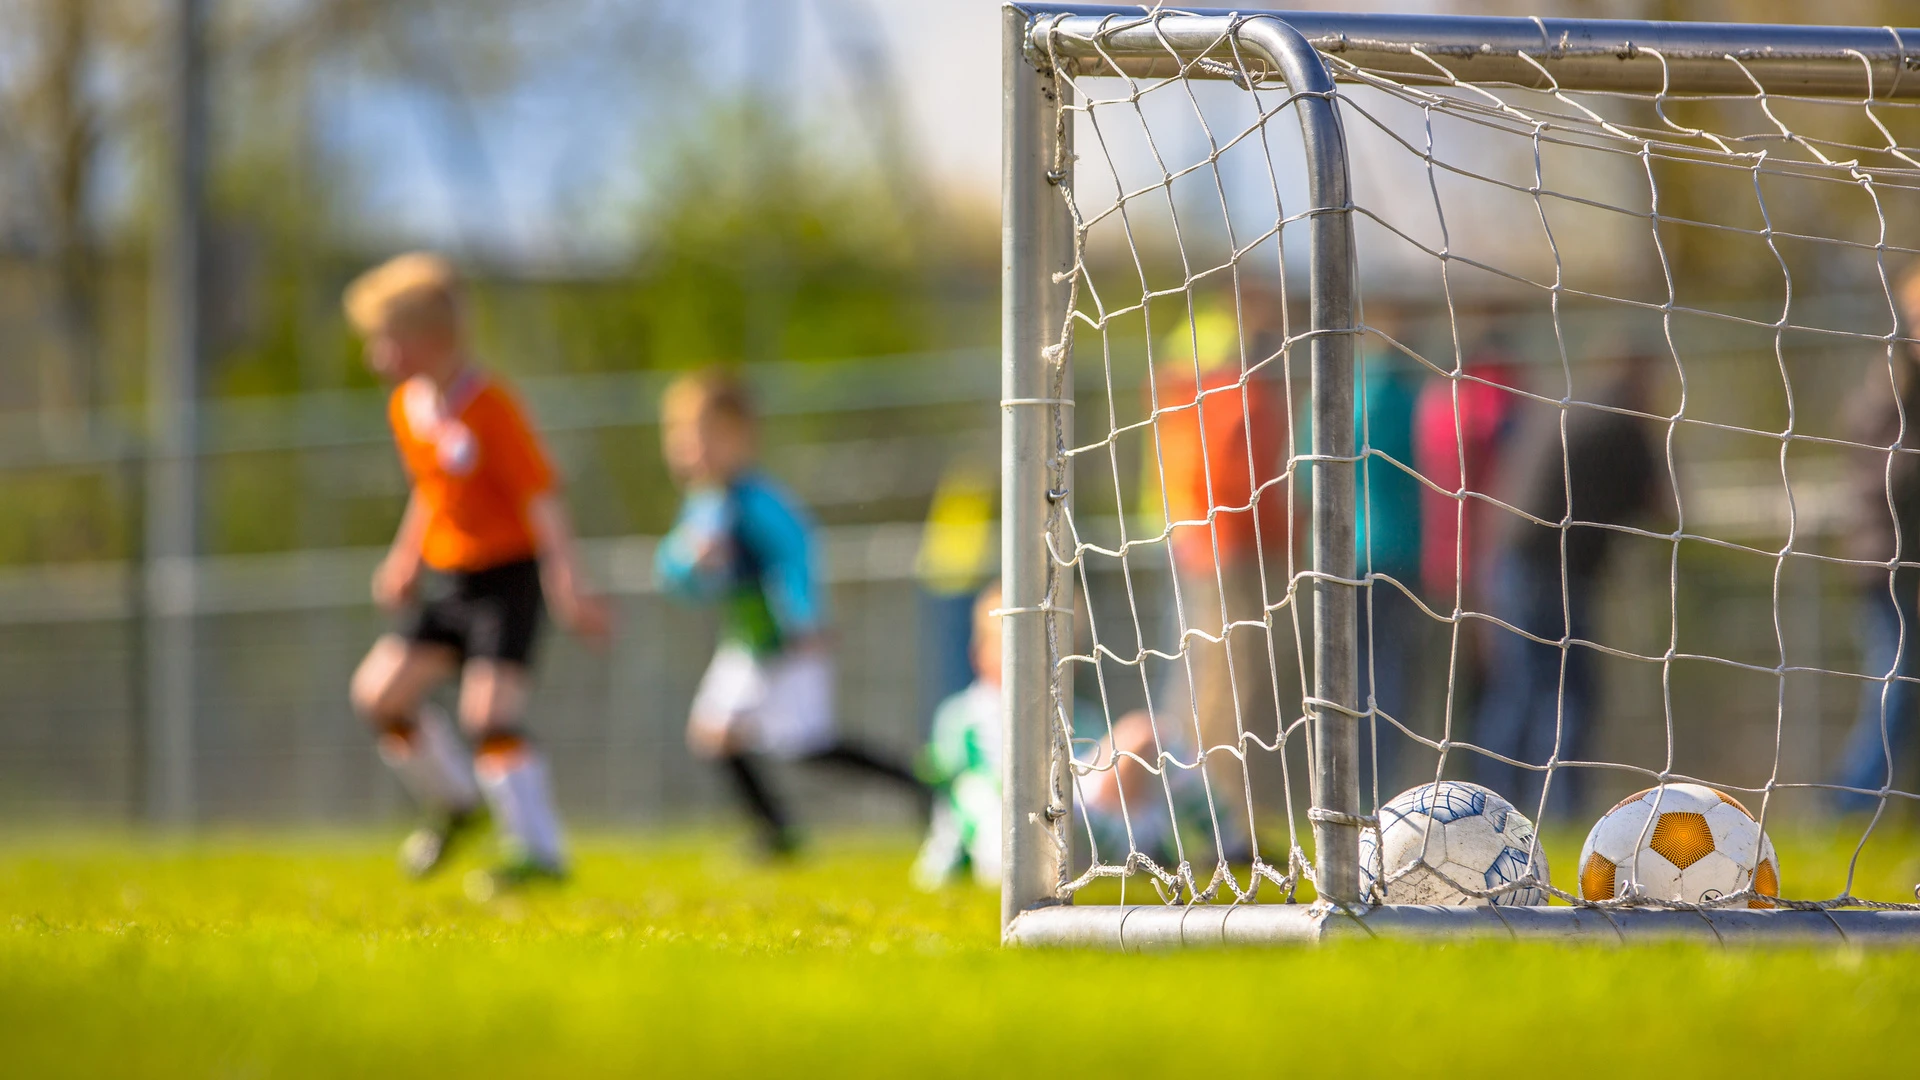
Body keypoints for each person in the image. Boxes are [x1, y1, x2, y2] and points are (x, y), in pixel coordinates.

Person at [343, 253, 609, 897]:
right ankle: (458, 804)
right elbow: (431, 491)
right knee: (380, 696)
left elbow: (540, 497)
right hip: (451, 579)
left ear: (430, 338)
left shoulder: (490, 406)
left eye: (387, 340)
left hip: (508, 579)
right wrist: (406, 559)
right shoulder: (409, 407)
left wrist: (567, 581)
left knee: (488, 715)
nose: (376, 357)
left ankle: (538, 852)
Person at [655, 369, 925, 857]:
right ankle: (775, 831)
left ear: (739, 438)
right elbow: (678, 577)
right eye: (682, 438)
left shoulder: (756, 501)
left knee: (807, 745)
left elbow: (795, 553)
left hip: (788, 642)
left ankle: (918, 785)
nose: (692, 450)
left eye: (705, 437)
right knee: (713, 734)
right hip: (747, 643)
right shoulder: (703, 507)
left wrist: (802, 620)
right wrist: (688, 564)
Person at [1474, 355, 1665, 820]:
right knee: (1566, 694)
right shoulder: (1621, 425)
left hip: (1512, 561)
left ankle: (1487, 807)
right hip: (1552, 572)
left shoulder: (1570, 411)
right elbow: (1661, 502)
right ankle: (1559, 809)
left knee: (1520, 691)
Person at [1141, 305, 1289, 858]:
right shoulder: (1232, 393)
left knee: (1212, 690)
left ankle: (1211, 819)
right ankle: (1211, 822)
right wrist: (1279, 536)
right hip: (1226, 551)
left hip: (1210, 548)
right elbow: (1237, 478)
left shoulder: (1196, 390)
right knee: (1221, 694)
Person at [1832, 265, 1920, 813]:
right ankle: (1848, 808)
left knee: (1899, 694)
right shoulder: (1894, 392)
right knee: (1894, 691)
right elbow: (1897, 485)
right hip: (1890, 568)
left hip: (1892, 563)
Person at [1353, 328, 1426, 797]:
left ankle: (1354, 780)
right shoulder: (1413, 404)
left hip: (1341, 558)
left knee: (1352, 672)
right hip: (1399, 557)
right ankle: (1383, 782)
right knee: (1390, 671)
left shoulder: (1339, 401)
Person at [912, 582, 1004, 889]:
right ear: (979, 654)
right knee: (971, 794)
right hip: (985, 800)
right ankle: (968, 857)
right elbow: (948, 765)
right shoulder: (965, 712)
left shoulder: (1071, 712)